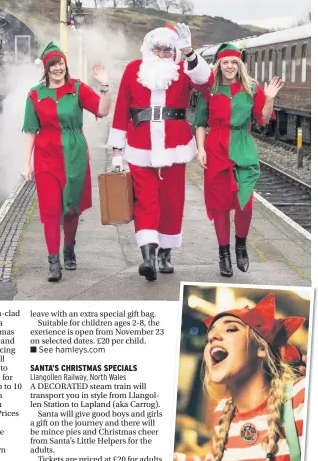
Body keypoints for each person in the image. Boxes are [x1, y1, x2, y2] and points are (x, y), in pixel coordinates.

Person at [108, 23, 214, 282]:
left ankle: (165, 251)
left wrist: (189, 53)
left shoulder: (184, 68)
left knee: (171, 200)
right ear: (149, 48)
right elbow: (122, 108)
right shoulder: (134, 69)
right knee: (145, 200)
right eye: (158, 49)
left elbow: (206, 82)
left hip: (174, 145)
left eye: (168, 50)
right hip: (139, 145)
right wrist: (116, 150)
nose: (163, 54)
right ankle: (148, 257)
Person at [175, 293, 305, 461]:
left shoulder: (299, 398)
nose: (212, 337)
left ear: (261, 348)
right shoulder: (223, 414)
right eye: (210, 336)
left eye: (231, 329)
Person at [22, 42, 110, 282]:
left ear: (65, 65)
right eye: (53, 65)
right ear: (46, 68)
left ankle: (69, 247)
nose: (58, 68)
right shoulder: (34, 94)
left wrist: (104, 86)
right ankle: (53, 262)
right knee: (51, 210)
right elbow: (30, 131)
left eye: (60, 63)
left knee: (71, 209)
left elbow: (102, 111)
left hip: (75, 155)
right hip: (46, 157)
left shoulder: (77, 88)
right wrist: (26, 164)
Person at [194, 43, 284, 277]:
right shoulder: (210, 90)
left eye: (234, 62)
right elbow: (201, 123)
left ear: (240, 65)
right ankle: (224, 255)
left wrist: (270, 98)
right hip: (216, 149)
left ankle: (241, 245)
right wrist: (200, 149)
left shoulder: (251, 88)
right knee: (221, 205)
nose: (230, 66)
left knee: (245, 202)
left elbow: (263, 120)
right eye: (225, 62)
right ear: (219, 65)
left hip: (243, 145)